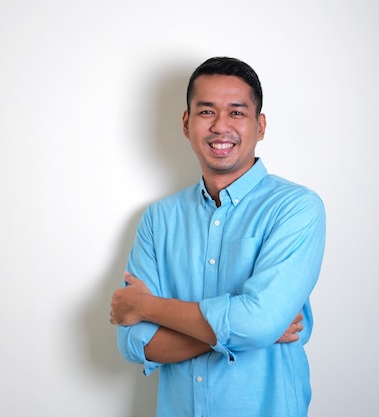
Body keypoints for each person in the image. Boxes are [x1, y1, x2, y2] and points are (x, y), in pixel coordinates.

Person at [110, 56, 326, 417]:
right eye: (207, 112)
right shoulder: (159, 219)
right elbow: (135, 343)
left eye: (237, 113)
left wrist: (148, 307)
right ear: (186, 122)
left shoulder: (296, 208)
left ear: (260, 126)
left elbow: (257, 324)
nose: (220, 126)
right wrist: (250, 331)